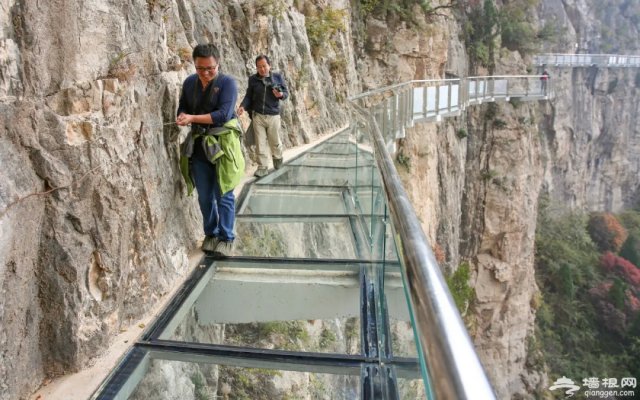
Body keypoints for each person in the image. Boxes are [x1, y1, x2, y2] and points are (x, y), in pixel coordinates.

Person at [176, 44, 245, 256]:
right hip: (199, 146)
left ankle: (226, 236)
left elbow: (223, 114)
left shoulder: (227, 84)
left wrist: (192, 118)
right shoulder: (189, 83)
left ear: (218, 64)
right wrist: (181, 116)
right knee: (204, 196)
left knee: (223, 192)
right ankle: (211, 233)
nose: (205, 73)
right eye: (200, 68)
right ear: (194, 65)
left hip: (222, 145)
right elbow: (183, 106)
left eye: (210, 69)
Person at [237, 55, 289, 177]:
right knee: (260, 143)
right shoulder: (253, 80)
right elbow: (249, 96)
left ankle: (277, 158)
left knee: (274, 141)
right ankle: (262, 166)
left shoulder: (277, 77)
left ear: (269, 66)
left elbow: (286, 93)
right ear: (256, 68)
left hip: (273, 115)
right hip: (258, 116)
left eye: (264, 66)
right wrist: (242, 106)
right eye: (259, 67)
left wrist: (280, 95)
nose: (262, 69)